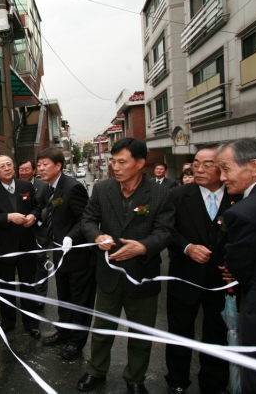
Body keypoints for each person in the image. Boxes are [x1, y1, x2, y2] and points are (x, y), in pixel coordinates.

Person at [77, 138, 175, 394]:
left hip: (142, 274)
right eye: (113, 161)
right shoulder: (102, 189)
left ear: (140, 163)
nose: (115, 167)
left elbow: (165, 231)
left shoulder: (160, 193)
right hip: (108, 274)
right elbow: (87, 219)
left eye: (122, 162)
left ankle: (135, 378)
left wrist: (143, 246)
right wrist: (97, 236)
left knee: (141, 333)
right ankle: (96, 371)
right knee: (101, 329)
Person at [164, 144, 242, 394]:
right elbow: (167, 231)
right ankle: (176, 381)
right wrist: (187, 247)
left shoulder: (238, 197)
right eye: (195, 164)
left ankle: (213, 384)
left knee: (216, 334)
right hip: (185, 277)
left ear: (222, 167)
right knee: (179, 333)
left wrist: (237, 267)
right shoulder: (178, 195)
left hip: (221, 280)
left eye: (207, 164)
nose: (199, 169)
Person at [217, 138, 256, 392]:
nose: (221, 177)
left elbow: (239, 266)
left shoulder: (246, 211)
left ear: (253, 166)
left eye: (226, 169)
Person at [36, 148, 95, 361]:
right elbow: (42, 209)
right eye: (39, 164)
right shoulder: (47, 188)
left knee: (79, 301)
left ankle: (76, 342)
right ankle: (64, 332)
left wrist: (71, 236)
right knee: (64, 296)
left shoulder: (73, 188)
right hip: (59, 254)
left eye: (45, 164)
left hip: (78, 256)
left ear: (58, 166)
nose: (40, 168)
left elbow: (85, 219)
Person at [0, 155, 41, 338]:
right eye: (2, 166)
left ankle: (31, 323)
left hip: (26, 244)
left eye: (9, 164)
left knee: (28, 285)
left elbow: (37, 207)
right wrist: (9, 217)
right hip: (4, 247)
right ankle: (8, 322)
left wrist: (33, 216)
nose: (7, 168)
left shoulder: (26, 186)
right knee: (6, 286)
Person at [19, 159, 49, 304]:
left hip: (39, 230)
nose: (24, 173)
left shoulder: (43, 186)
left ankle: (40, 296)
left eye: (26, 169)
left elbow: (49, 206)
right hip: (22, 231)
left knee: (40, 263)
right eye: (21, 170)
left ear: (33, 170)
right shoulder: (16, 186)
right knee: (26, 265)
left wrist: (35, 217)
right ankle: (28, 296)